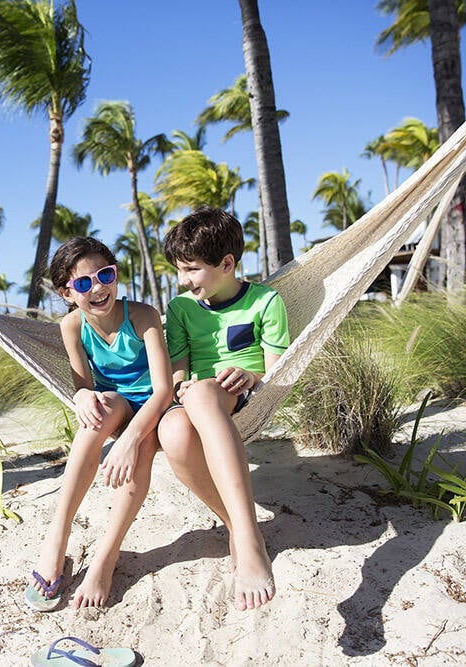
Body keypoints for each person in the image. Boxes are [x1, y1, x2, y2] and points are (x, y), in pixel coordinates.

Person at [25, 236, 173, 611]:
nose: (98, 288)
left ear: (116, 274)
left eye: (105, 275)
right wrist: (81, 396)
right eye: (83, 283)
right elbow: (82, 385)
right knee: (92, 419)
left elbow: (163, 390)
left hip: (154, 405)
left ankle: (105, 559)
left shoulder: (142, 315)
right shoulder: (72, 326)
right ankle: (56, 539)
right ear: (66, 292)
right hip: (118, 402)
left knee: (139, 450)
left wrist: (128, 440)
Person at [158, 206, 289, 611]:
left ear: (227, 263)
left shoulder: (266, 301)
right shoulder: (181, 310)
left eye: (192, 269)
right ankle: (237, 525)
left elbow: (277, 371)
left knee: (201, 396)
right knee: (173, 432)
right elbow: (178, 372)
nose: (184, 280)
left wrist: (251, 379)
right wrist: (183, 388)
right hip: (198, 398)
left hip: (244, 394)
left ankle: (248, 540)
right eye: (180, 270)